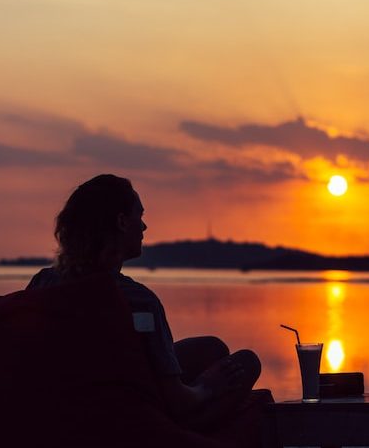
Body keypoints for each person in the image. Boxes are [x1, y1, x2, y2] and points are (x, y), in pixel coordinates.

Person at [27, 174, 262, 430]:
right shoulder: (138, 301)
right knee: (247, 362)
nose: (144, 228)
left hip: (69, 399)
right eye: (139, 216)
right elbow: (179, 401)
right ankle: (190, 435)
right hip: (123, 416)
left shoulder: (43, 283)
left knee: (213, 349)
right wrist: (208, 386)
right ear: (121, 222)